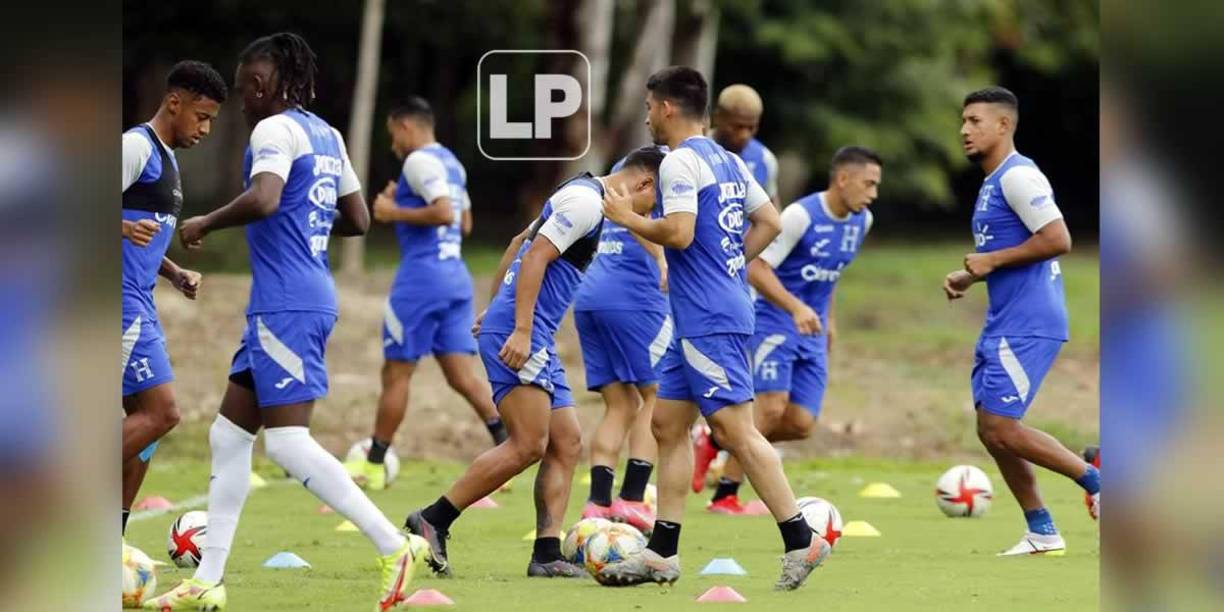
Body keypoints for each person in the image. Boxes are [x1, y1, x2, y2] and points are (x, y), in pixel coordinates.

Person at [144, 33, 424, 611]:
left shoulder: (274, 130)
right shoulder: (328, 133)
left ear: (266, 84)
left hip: (286, 302)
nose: (243, 98)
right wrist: (308, 222)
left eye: (247, 85)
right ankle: (208, 581)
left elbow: (266, 198)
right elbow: (358, 218)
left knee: (290, 446)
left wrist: (205, 223)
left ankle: (392, 544)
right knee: (228, 437)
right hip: (295, 297)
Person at [595, 66, 829, 591]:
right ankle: (661, 553)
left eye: (651, 107)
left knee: (734, 430)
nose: (648, 116)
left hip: (709, 318)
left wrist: (626, 217)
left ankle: (801, 537)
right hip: (702, 313)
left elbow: (677, 233)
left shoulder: (679, 162)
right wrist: (730, 263)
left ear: (670, 108)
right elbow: (770, 219)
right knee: (667, 427)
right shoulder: (726, 160)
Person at [403, 147, 665, 579]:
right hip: (524, 337)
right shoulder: (584, 202)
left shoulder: (580, 197)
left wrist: (498, 309)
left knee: (566, 442)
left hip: (529, 333)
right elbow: (538, 255)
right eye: (652, 203)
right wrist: (518, 327)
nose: (648, 213)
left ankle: (546, 553)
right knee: (527, 444)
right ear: (643, 184)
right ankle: (433, 519)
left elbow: (516, 245)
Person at [942, 86, 1099, 556]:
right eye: (963, 121)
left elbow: (1058, 238)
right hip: (1006, 319)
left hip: (1029, 321)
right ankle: (1042, 530)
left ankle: (1097, 480)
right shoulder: (993, 183)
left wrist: (990, 262)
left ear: (1003, 125)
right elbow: (1012, 254)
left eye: (975, 121)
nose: (965, 130)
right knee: (992, 433)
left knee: (1003, 429)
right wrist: (972, 277)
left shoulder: (1018, 177)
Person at [708, 146, 882, 514]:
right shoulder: (801, 215)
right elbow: (755, 268)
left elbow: (830, 274)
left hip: (812, 326)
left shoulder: (861, 221)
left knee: (801, 424)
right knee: (770, 409)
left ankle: (716, 440)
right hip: (774, 319)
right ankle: (725, 495)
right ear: (843, 179)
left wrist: (829, 320)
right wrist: (795, 307)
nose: (873, 194)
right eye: (868, 184)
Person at [345, 97, 504, 492]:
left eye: (392, 135)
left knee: (396, 372)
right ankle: (509, 443)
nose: (393, 145)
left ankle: (374, 465)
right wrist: (408, 201)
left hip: (421, 281)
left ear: (405, 127)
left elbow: (445, 212)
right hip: (456, 278)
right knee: (462, 376)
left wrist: (391, 211)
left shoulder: (417, 161)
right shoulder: (452, 163)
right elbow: (464, 222)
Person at [121, 60, 225, 540]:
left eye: (211, 122)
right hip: (118, 303)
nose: (205, 128)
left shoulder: (168, 156)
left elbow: (146, 235)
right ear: (174, 103)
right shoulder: (135, 146)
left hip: (141, 300)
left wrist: (174, 270)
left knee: (144, 431)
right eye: (201, 117)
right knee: (162, 414)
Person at [573, 146, 670, 533]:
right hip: (633, 298)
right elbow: (641, 221)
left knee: (620, 402)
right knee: (658, 394)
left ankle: (597, 503)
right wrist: (662, 257)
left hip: (590, 294)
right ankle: (632, 498)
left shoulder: (623, 166)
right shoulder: (666, 170)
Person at [710, 84, 778, 202]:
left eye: (751, 127)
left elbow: (772, 210)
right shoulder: (694, 152)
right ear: (717, 117)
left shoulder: (764, 159)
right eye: (737, 126)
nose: (744, 135)